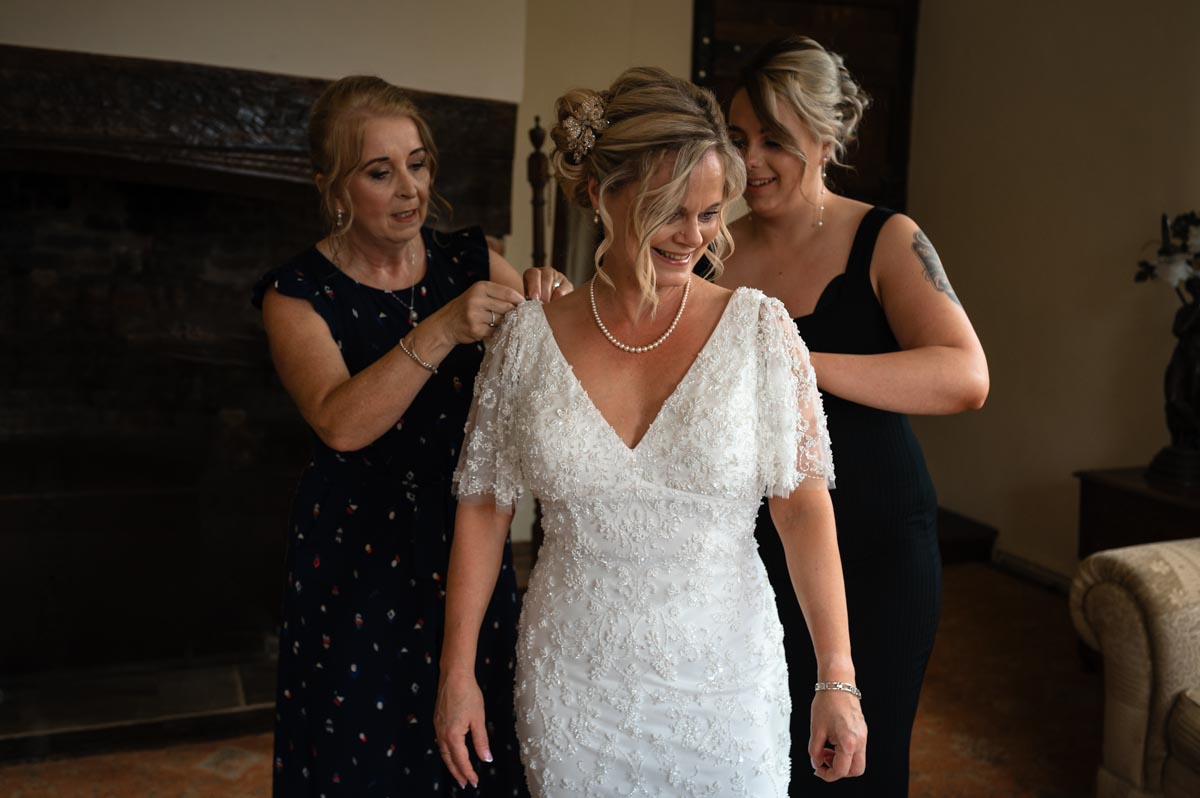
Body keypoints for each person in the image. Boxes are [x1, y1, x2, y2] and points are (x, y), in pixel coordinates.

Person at [434, 66, 866, 797]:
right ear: (605, 195)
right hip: (572, 686)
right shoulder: (526, 342)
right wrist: (457, 673)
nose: (694, 237)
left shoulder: (760, 332)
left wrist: (838, 678)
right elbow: (483, 507)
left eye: (709, 212)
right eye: (671, 212)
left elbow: (801, 509)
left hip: (728, 689)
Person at [251, 74, 571, 797]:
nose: (408, 189)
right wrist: (443, 327)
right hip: (354, 553)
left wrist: (561, 300)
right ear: (332, 187)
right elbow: (339, 421)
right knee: (363, 752)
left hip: (465, 539)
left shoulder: (468, 259)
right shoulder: (297, 293)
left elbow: (561, 365)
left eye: (418, 164)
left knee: (472, 744)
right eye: (379, 171)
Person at [719, 36, 990, 796]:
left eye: (776, 139)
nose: (752, 161)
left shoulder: (887, 238)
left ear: (826, 140)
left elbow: (964, 376)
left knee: (858, 769)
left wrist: (799, 367)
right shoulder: (713, 251)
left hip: (879, 547)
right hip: (757, 542)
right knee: (764, 752)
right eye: (738, 140)